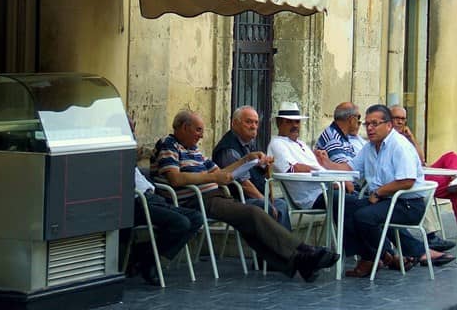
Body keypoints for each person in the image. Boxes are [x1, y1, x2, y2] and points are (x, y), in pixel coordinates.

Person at [150, 109, 339, 282]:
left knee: (250, 223)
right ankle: (304, 252)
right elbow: (175, 178)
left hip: (214, 196)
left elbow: (224, 172)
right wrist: (213, 177)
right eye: (198, 130)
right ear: (185, 127)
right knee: (253, 213)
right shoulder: (169, 145)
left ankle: (298, 261)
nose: (202, 135)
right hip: (194, 200)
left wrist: (246, 160)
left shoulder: (194, 150)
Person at [316, 104, 455, 277]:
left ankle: (374, 258)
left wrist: (379, 192)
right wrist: (326, 163)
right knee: (345, 205)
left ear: (388, 125)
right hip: (388, 200)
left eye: (375, 123)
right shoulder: (369, 147)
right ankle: (382, 256)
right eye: (367, 124)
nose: (370, 128)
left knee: (364, 217)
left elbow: (407, 181)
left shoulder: (399, 146)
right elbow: (349, 168)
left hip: (408, 204)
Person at [389, 105, 457, 247]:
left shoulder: (405, 137)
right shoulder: (390, 139)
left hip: (422, 169)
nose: (400, 122)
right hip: (415, 177)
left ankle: (455, 179)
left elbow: (421, 159)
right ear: (389, 119)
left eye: (403, 119)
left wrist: (412, 138)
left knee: (451, 156)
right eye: (396, 118)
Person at [127, 117, 203, 286]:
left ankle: (142, 255)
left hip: (151, 196)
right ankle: (149, 260)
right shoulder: (117, 149)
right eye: (129, 130)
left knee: (196, 218)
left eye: (133, 129)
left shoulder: (129, 148)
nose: (133, 134)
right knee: (181, 223)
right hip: (136, 202)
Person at [212, 105, 291, 230]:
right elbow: (244, 184)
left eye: (256, 122)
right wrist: (265, 200)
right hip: (237, 199)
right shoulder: (229, 149)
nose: (253, 126)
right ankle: (276, 247)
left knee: (282, 204)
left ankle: (283, 247)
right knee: (272, 207)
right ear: (234, 124)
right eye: (248, 122)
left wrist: (265, 166)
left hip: (252, 197)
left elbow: (258, 173)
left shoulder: (249, 143)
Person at [267, 102, 356, 211]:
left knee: (358, 200)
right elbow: (295, 168)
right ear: (279, 123)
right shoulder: (277, 143)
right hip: (311, 197)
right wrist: (334, 179)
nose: (295, 125)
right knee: (355, 203)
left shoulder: (301, 144)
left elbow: (316, 166)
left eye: (297, 122)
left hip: (326, 190)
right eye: (289, 122)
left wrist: (322, 161)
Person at [315, 102, 365, 191]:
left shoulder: (342, 136)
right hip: (343, 191)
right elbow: (344, 171)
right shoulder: (333, 138)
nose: (358, 122)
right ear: (351, 119)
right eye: (358, 118)